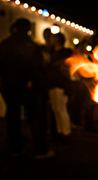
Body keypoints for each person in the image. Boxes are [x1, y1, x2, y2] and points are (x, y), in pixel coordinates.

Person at [0, 18, 53, 158]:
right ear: (28, 29)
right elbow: (36, 68)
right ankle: (40, 149)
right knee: (35, 118)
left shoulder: (5, 44)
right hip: (28, 88)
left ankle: (15, 148)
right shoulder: (31, 46)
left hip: (9, 88)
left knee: (12, 117)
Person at [47, 32, 73, 143]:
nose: (50, 39)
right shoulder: (53, 53)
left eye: (53, 38)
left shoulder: (65, 53)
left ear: (58, 40)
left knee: (61, 109)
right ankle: (60, 132)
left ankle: (66, 133)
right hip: (53, 85)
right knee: (56, 110)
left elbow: (66, 70)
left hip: (61, 86)